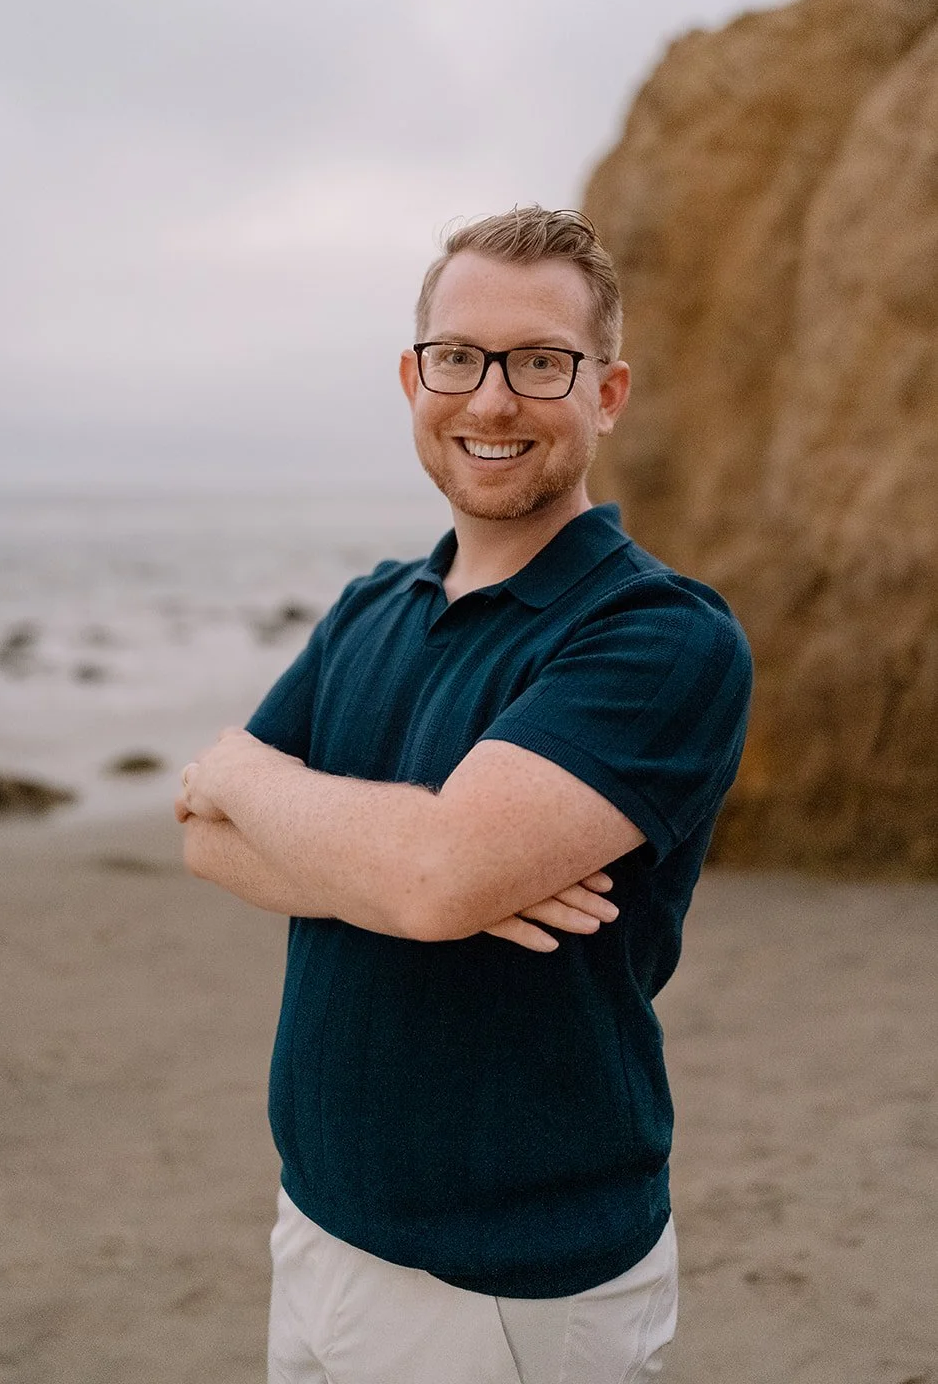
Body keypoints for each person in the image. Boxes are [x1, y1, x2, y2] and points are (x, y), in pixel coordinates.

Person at [176, 206, 752, 1384]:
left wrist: (250, 772)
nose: (490, 400)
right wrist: (402, 870)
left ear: (606, 392)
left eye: (540, 361)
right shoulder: (369, 606)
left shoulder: (656, 634)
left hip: (512, 1284)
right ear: (412, 375)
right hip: (318, 1225)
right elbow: (203, 841)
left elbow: (429, 875)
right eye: (458, 357)